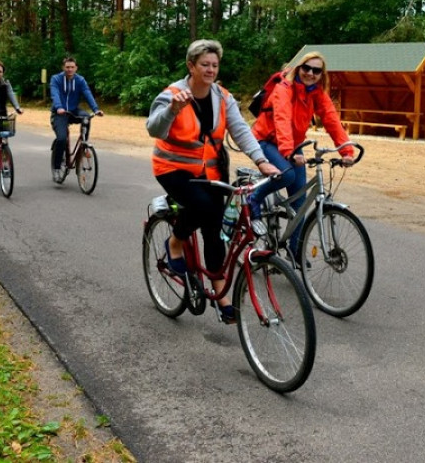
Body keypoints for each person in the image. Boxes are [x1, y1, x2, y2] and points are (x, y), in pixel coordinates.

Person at [146, 39, 278, 324]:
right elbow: (153, 128)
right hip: (173, 169)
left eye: (214, 65)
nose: (210, 70)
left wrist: (261, 160)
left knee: (216, 228)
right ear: (190, 66)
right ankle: (176, 243)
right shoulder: (173, 94)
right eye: (204, 64)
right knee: (205, 208)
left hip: (211, 172)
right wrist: (172, 110)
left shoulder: (222, 97)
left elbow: (241, 130)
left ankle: (220, 294)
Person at [248, 51, 355, 262]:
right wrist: (288, 152)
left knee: (300, 201)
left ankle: (294, 251)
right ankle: (254, 199)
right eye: (306, 68)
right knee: (286, 176)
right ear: (299, 68)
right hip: (266, 140)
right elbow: (282, 118)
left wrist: (346, 151)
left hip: (292, 144)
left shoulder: (316, 94)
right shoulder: (283, 89)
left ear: (321, 74)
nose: (310, 73)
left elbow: (332, 120)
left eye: (316, 70)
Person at [49, 57, 103, 182]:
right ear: (63, 68)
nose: (70, 69)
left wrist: (95, 109)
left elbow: (87, 93)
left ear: (76, 68)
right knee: (62, 139)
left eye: (72, 67)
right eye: (67, 67)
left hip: (73, 111)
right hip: (59, 113)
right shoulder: (56, 79)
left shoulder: (80, 80)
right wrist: (59, 107)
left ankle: (84, 145)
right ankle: (57, 168)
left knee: (87, 117)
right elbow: (55, 94)